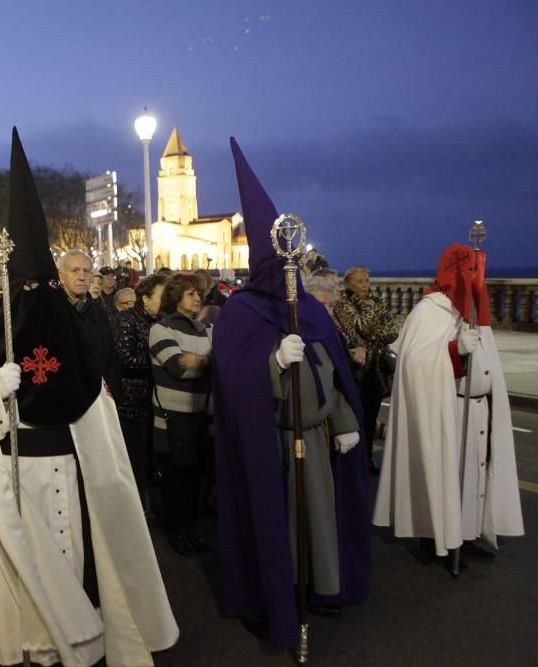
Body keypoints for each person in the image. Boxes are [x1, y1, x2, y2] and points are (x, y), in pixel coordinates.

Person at [0, 129, 177, 667]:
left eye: (47, 288)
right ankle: (37, 647)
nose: (40, 298)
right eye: (32, 289)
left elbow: (92, 403)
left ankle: (79, 643)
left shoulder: (67, 333)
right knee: (31, 567)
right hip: (16, 471)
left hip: (65, 468)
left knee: (70, 560)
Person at [213, 139, 369, 650]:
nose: (289, 275)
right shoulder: (240, 315)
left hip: (319, 439)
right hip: (274, 444)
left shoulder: (315, 311)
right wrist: (273, 366)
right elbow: (234, 385)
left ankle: (320, 588)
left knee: (319, 521)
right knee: (278, 522)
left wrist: (344, 421)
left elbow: (334, 372)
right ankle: (277, 597)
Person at [373, 243, 523, 571]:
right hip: (449, 410)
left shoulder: (471, 309)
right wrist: (455, 352)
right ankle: (434, 538)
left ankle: (464, 535)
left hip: (479, 409)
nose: (475, 279)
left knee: (473, 478)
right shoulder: (430, 311)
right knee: (447, 476)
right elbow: (415, 363)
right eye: (470, 272)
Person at [149, 273, 212, 556]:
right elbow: (177, 367)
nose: (197, 298)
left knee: (196, 480)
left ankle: (191, 530)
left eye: (198, 293)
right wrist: (208, 362)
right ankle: (177, 533)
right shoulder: (161, 329)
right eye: (190, 293)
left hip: (201, 417)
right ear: (175, 297)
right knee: (176, 482)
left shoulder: (205, 328)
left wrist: (198, 361)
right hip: (173, 419)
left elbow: (208, 365)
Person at [334, 265, 399, 473]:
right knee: (357, 417)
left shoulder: (376, 302)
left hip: (376, 370)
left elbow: (392, 331)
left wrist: (374, 326)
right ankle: (355, 462)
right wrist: (372, 311)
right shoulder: (344, 304)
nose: (364, 285)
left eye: (366, 281)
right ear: (349, 284)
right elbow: (361, 326)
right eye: (360, 281)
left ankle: (368, 458)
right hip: (359, 371)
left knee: (371, 419)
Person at [110, 273, 166, 507]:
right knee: (134, 456)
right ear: (145, 298)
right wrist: (161, 359)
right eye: (162, 296)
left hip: (152, 400)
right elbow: (126, 358)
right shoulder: (127, 320)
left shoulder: (159, 321)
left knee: (147, 456)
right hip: (130, 401)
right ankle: (134, 505)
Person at [58, 250, 122, 397]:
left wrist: (112, 392)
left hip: (96, 397)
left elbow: (110, 357)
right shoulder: (50, 309)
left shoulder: (99, 312)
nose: (81, 277)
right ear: (61, 276)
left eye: (86, 271)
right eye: (75, 270)